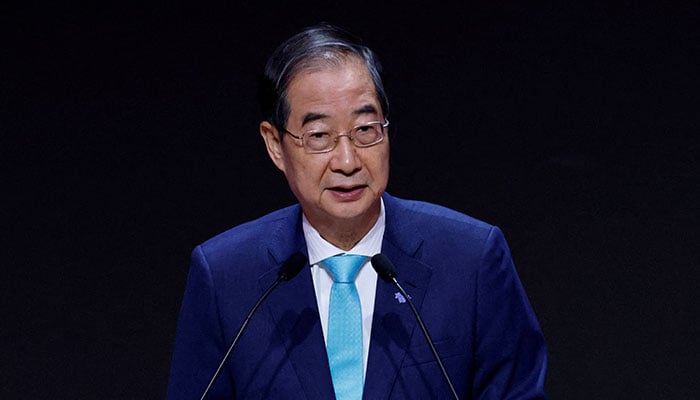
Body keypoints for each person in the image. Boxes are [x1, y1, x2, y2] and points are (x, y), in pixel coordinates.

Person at [166, 23, 547, 399]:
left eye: (365, 130)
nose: (347, 161)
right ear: (275, 145)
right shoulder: (225, 276)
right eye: (319, 137)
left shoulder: (471, 259)